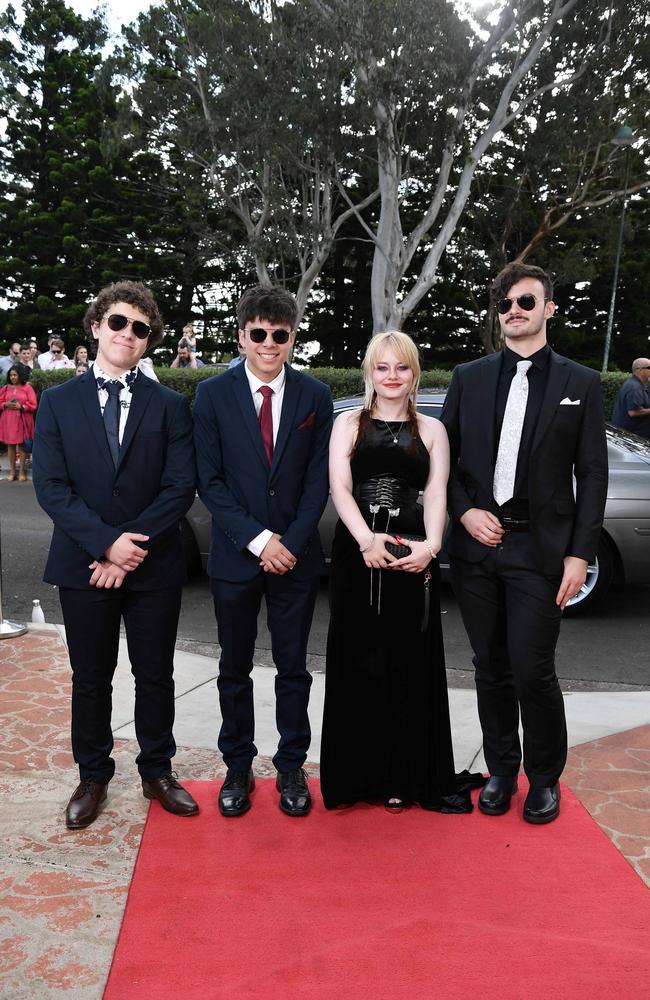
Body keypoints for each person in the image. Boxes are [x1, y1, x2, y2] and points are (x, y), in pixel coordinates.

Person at [441, 262, 608, 825]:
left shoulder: (580, 383)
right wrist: (463, 514)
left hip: (540, 550)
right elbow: (448, 463)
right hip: (477, 551)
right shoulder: (470, 376)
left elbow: (593, 474)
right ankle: (502, 772)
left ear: (548, 309)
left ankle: (543, 779)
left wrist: (579, 555)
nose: (514, 310)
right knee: (490, 667)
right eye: (506, 303)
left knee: (532, 667)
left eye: (526, 301)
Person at [33, 280, 199, 829]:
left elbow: (180, 487)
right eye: (119, 323)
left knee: (155, 674)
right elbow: (52, 486)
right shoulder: (56, 402)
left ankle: (157, 770)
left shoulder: (172, 405)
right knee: (91, 676)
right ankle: (93, 775)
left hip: (153, 564)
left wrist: (129, 548)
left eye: (140, 328)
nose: (128, 334)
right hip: (84, 564)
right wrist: (106, 545)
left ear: (149, 340)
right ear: (97, 326)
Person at [320, 331, 482, 813]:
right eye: (383, 367)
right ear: (369, 373)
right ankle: (358, 779)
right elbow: (340, 489)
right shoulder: (348, 424)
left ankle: (404, 777)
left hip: (413, 558)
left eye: (402, 368)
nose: (392, 377)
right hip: (357, 556)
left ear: (414, 374)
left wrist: (432, 547)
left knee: (407, 665)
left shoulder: (432, 430)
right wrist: (365, 539)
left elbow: (435, 494)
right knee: (358, 663)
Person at [193, 284, 333, 818]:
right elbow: (210, 481)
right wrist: (259, 541)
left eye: (280, 334)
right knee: (234, 666)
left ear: (292, 337)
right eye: (259, 334)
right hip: (235, 557)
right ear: (241, 336)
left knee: (293, 667)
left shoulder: (314, 396)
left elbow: (316, 483)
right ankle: (237, 765)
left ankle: (292, 765)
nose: (269, 343)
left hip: (295, 559)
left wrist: (287, 545)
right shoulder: (211, 394)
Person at [0, 364, 37, 481]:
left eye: (15, 375)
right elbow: (0, 402)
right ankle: (12, 471)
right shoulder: (5, 388)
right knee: (10, 445)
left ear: (20, 375)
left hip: (23, 420)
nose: (13, 377)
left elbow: (34, 405)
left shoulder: (27, 388)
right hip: (9, 420)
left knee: (22, 445)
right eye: (11, 375)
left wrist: (21, 406)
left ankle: (21, 471)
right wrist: (5, 404)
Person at [611, 358, 650, 438]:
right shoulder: (634, 387)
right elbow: (633, 412)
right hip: (632, 438)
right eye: (649, 368)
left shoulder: (635, 384)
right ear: (639, 370)